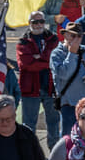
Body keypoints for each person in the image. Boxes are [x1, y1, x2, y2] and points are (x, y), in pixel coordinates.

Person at [18, 14, 62, 143]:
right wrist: (45, 62)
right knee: (29, 126)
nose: (38, 24)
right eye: (35, 22)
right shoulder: (23, 40)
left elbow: (54, 59)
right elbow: (26, 64)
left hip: (50, 88)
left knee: (54, 124)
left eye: (41, 21)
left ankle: (54, 154)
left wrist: (38, 58)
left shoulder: (53, 38)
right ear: (29, 23)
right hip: (30, 90)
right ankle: (29, 154)